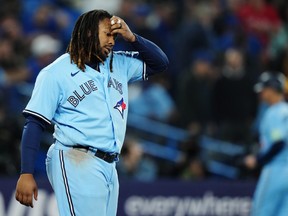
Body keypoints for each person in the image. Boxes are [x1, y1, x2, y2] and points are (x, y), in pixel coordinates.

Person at [15, 9, 168, 216]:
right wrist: (26, 172)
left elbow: (160, 63)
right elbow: (34, 122)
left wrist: (131, 37)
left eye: (114, 36)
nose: (112, 41)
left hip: (109, 164)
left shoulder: (118, 63)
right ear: (88, 33)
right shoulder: (55, 72)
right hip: (75, 158)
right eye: (107, 34)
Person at [244, 71, 288, 216]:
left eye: (264, 89)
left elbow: (279, 143)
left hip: (276, 169)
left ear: (272, 89)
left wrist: (257, 160)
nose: (261, 93)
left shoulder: (274, 112)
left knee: (260, 212)